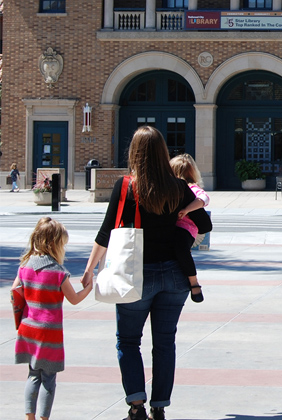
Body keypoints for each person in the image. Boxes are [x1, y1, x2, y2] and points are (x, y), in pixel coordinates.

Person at [82, 126, 203, 420]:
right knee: (164, 343)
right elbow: (204, 223)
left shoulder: (127, 187)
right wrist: (185, 215)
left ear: (134, 153)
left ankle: (136, 406)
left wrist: (88, 271)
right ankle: (159, 407)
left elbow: (106, 233)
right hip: (175, 277)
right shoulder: (178, 186)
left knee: (128, 341)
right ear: (163, 152)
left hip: (137, 276)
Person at [13, 217, 92, 420]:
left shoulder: (25, 266)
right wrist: (88, 289)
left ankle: (29, 416)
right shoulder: (58, 272)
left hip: (28, 327)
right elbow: (73, 299)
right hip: (50, 331)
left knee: (33, 375)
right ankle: (44, 418)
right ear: (54, 245)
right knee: (48, 378)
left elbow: (15, 290)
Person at [169, 153, 212, 303]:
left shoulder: (192, 187)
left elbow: (204, 199)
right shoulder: (169, 188)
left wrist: (187, 209)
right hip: (173, 226)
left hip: (187, 228)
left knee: (181, 248)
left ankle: (193, 282)